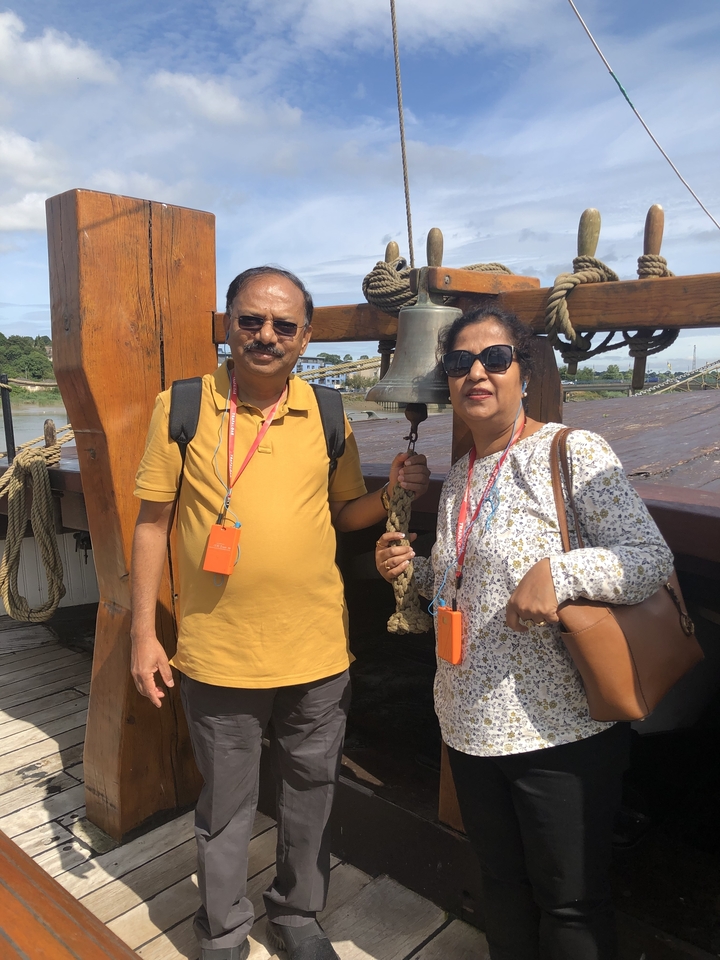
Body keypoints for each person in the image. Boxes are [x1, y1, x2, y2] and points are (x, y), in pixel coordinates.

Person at [130, 266, 430, 960]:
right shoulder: (180, 406)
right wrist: (145, 633)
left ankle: (297, 916)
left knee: (311, 795)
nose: (266, 335)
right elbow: (152, 524)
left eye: (284, 325)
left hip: (318, 650)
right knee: (225, 808)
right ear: (228, 325)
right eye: (251, 321)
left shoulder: (328, 412)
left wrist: (391, 492)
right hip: (219, 654)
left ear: (306, 335)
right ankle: (223, 930)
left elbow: (341, 512)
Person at [375, 304, 674, 960]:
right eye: (459, 363)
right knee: (502, 887)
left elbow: (650, 558)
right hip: (471, 729)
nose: (476, 373)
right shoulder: (461, 476)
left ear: (524, 373)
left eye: (494, 359)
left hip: (560, 731)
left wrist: (560, 574)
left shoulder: (570, 451)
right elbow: (464, 591)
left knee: (570, 903)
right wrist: (417, 571)